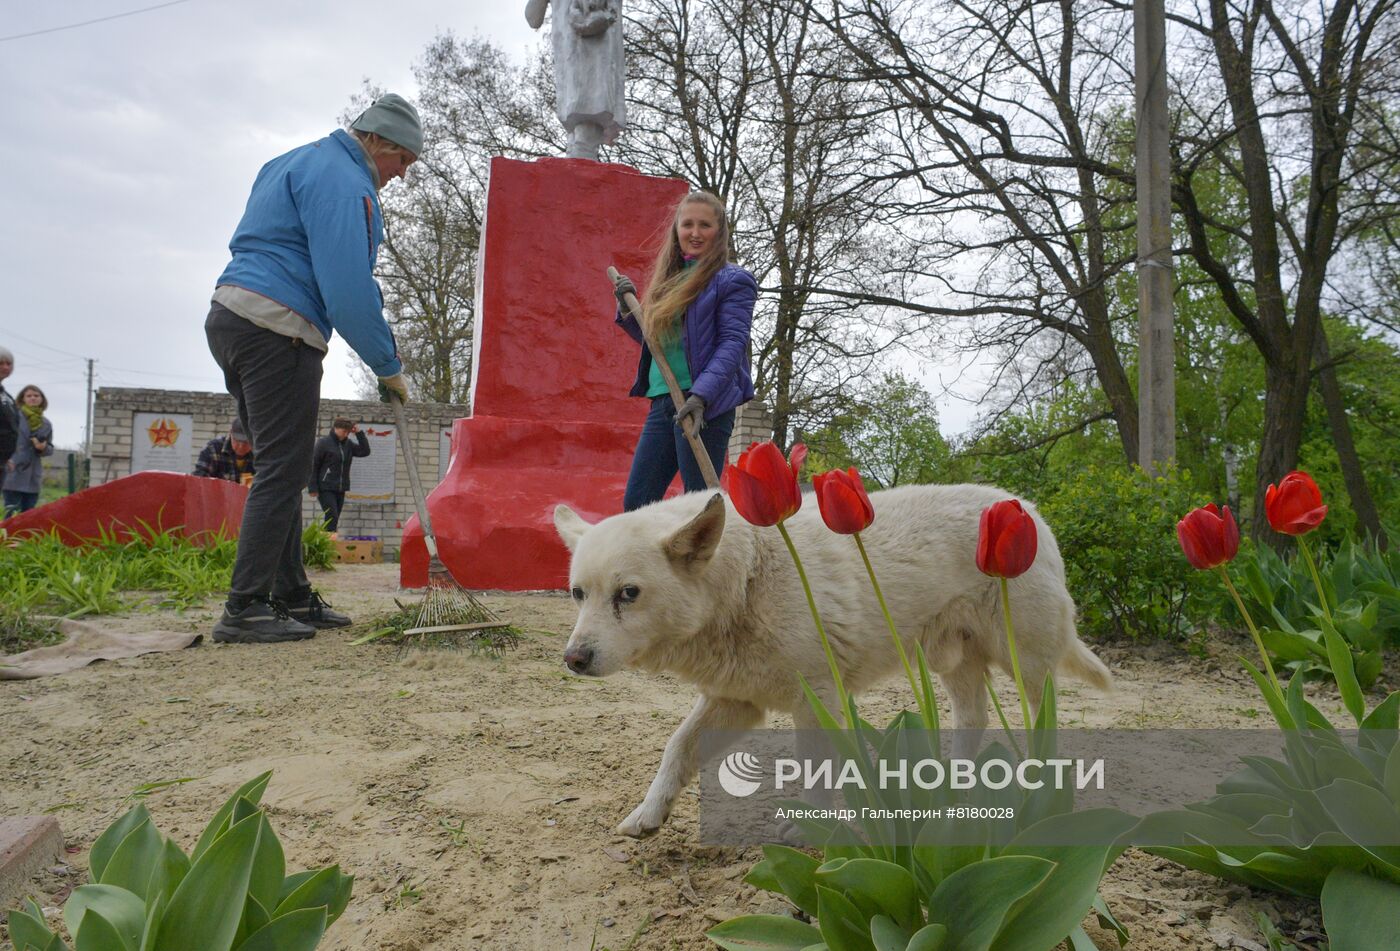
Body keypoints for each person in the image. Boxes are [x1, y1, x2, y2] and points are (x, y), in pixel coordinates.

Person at [204, 94, 418, 644]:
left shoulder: (291, 162)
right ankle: (245, 606)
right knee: (283, 469)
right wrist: (388, 365)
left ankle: (290, 594)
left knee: (282, 463)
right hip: (280, 329)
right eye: (404, 161)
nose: (401, 174)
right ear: (379, 143)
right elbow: (347, 290)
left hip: (232, 317)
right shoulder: (348, 184)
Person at [611, 190, 756, 511]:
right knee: (637, 503)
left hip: (705, 406)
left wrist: (701, 397)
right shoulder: (670, 280)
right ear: (676, 230)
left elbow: (733, 343)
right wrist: (626, 308)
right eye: (687, 224)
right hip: (664, 403)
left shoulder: (733, 280)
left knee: (699, 505)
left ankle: (716, 562)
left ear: (719, 232)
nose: (694, 232)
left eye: (704, 225)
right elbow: (656, 341)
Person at [525, 0, 625, 159]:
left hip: (596, 57)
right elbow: (533, 17)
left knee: (586, 126)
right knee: (577, 130)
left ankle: (584, 151)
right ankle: (580, 151)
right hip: (569, 60)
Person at [309, 417, 370, 533]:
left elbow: (365, 451)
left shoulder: (349, 444)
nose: (346, 434)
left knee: (334, 519)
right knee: (332, 516)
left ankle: (328, 542)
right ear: (336, 428)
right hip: (325, 487)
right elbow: (314, 465)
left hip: (340, 488)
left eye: (348, 432)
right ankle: (328, 543)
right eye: (344, 431)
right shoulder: (323, 443)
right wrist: (312, 487)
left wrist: (359, 433)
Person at [3, 384, 52, 515]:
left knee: (28, 517)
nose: (33, 398)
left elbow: (50, 448)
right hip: (13, 471)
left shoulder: (46, 423)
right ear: (22, 399)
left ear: (42, 399)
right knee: (11, 515)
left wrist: (43, 448)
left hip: (32, 475)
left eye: (36, 395)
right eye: (29, 396)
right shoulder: (13, 417)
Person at [193, 417, 256, 484]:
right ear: (230, 433)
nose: (241, 446)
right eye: (237, 441)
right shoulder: (212, 449)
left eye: (246, 442)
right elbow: (199, 481)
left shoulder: (260, 453)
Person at [0, 347, 17, 489]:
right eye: (1, 363)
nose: (5, 367)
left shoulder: (7, 396)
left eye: (9, 363)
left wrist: (7, 458)